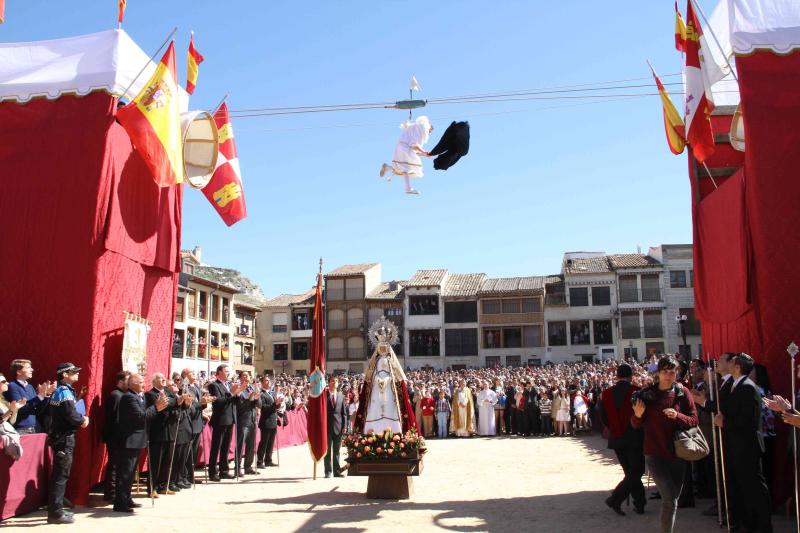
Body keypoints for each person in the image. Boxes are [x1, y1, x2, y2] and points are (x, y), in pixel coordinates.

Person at [631, 355, 698, 533]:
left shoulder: (683, 393)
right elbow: (635, 424)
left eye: (672, 371)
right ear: (658, 373)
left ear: (677, 373)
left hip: (678, 453)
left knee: (673, 500)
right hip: (654, 453)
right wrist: (637, 415)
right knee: (669, 499)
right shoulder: (647, 395)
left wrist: (678, 416)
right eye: (665, 372)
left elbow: (694, 420)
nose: (669, 375)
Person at [715, 353, 772, 533]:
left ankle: (763, 526)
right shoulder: (734, 385)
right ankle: (748, 522)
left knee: (754, 487)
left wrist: (725, 422)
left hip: (747, 445)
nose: (728, 364)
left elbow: (748, 419)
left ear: (738, 366)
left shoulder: (748, 387)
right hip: (735, 444)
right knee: (742, 487)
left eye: (731, 362)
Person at [113, 373, 168, 513]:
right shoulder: (129, 397)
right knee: (125, 473)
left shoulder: (139, 396)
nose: (144, 384)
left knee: (131, 473)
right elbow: (140, 417)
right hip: (129, 441)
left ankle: (127, 498)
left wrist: (156, 408)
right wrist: (155, 408)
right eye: (141, 382)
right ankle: (120, 503)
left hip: (138, 440)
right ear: (132, 384)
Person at [354, 320, 416, 434]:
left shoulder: (390, 361)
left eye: (384, 347)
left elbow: (395, 374)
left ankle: (395, 430)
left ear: (388, 348)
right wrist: (377, 379)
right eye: (380, 347)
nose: (382, 350)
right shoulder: (375, 361)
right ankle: (372, 431)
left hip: (389, 387)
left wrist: (387, 379)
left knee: (391, 406)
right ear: (377, 347)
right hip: (376, 387)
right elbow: (370, 375)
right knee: (374, 406)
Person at [46, 363, 89, 524]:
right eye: (73, 372)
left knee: (61, 474)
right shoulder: (64, 392)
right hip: (63, 438)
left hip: (62, 436)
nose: (77, 374)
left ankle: (57, 509)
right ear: (64, 374)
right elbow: (71, 414)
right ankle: (55, 513)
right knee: (60, 475)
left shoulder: (63, 391)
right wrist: (83, 420)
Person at [600, 363, 645, 516]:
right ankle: (615, 499)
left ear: (617, 376)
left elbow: (603, 417)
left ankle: (640, 503)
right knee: (637, 471)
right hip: (634, 437)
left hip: (616, 437)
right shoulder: (636, 391)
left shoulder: (606, 393)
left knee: (630, 472)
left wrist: (613, 427)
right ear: (631, 376)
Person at [379, 115, 433, 195]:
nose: (428, 134)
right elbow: (414, 145)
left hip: (402, 147)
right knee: (406, 168)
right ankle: (407, 188)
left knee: (403, 168)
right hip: (404, 148)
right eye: (429, 132)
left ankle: (387, 168)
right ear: (427, 128)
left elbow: (414, 151)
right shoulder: (419, 132)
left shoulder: (413, 129)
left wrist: (425, 154)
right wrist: (424, 152)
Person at [207, 364, 243, 482]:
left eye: (229, 371)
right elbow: (218, 402)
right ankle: (212, 472)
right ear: (219, 372)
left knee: (226, 447)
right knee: (216, 446)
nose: (228, 373)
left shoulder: (228, 385)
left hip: (230, 419)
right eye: (226, 371)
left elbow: (234, 402)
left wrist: (237, 394)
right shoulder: (214, 385)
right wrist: (231, 393)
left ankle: (224, 470)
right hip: (220, 419)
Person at [144, 373, 179, 495]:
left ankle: (164, 485)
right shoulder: (150, 394)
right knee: (155, 461)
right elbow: (164, 406)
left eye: (164, 378)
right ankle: (152, 487)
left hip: (170, 430)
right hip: (157, 432)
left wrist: (177, 402)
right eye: (160, 378)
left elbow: (175, 402)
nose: (163, 380)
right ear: (153, 381)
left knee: (167, 461)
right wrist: (173, 403)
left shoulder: (168, 392)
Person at [4, 358, 55, 434]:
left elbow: (37, 409)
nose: (32, 369)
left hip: (35, 426)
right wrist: (40, 396)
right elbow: (20, 408)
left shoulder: (30, 386)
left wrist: (46, 394)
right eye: (28, 367)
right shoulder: (13, 386)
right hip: (21, 429)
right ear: (18, 372)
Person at [102, 370, 130, 501]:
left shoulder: (124, 395)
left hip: (121, 437)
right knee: (114, 464)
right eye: (127, 380)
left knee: (119, 465)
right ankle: (111, 492)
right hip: (115, 437)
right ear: (120, 381)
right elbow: (115, 419)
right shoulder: (116, 395)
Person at [235, 371, 260, 476]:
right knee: (240, 445)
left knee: (251, 445)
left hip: (253, 419)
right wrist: (249, 399)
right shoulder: (239, 389)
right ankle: (237, 468)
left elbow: (259, 404)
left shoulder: (252, 388)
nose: (246, 377)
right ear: (240, 378)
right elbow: (240, 405)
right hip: (243, 420)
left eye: (248, 375)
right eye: (244, 375)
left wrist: (257, 397)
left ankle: (248, 466)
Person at [324, 376, 347, 478]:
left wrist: (344, 426)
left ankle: (337, 471)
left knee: (337, 451)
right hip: (327, 427)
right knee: (327, 451)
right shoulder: (323, 396)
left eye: (336, 381)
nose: (334, 383)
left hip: (338, 427)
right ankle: (328, 471)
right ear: (329, 383)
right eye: (332, 381)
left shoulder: (341, 396)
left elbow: (344, 413)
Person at [257, 375, 280, 468]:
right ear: (262, 383)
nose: (268, 382)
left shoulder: (270, 393)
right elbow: (263, 407)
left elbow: (274, 407)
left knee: (271, 442)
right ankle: (259, 461)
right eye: (266, 381)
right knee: (264, 442)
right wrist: (275, 404)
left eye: (269, 380)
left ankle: (268, 459)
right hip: (266, 421)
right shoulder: (261, 394)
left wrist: (278, 403)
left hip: (272, 420)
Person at [0, 372, 24, 460]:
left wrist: (15, 411)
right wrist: (10, 411)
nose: (7, 383)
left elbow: (11, 422)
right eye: (4, 381)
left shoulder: (3, 400)